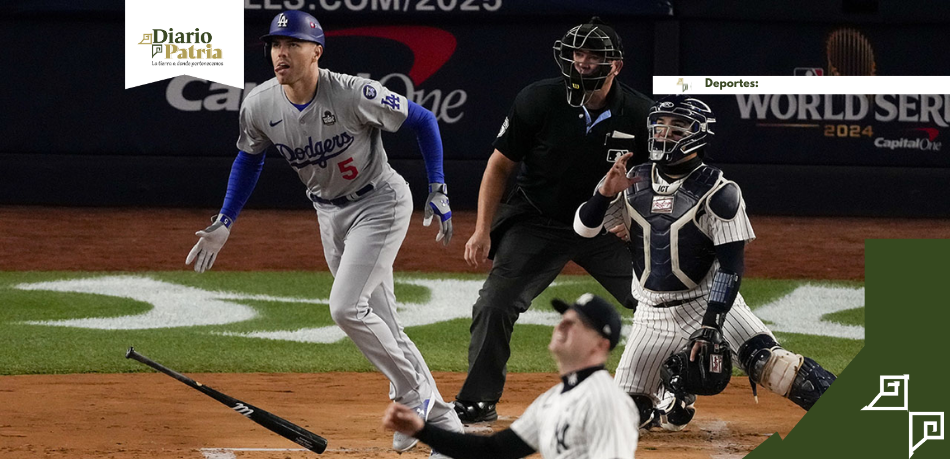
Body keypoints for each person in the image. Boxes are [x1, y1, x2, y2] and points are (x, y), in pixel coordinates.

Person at [184, 10, 462, 454]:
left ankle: (414, 397)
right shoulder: (260, 104)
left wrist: (439, 187)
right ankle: (444, 422)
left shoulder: (353, 92)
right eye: (275, 45)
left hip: (380, 203)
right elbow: (249, 158)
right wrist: (225, 221)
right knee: (383, 320)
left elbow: (423, 121)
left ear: (316, 50)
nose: (281, 53)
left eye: (292, 44)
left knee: (346, 308)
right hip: (329, 215)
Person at [573, 95, 837, 431]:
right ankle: (672, 394)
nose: (665, 134)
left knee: (773, 365)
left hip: (709, 302)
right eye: (660, 125)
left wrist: (712, 323)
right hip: (653, 314)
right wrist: (605, 194)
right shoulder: (630, 178)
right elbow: (584, 229)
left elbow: (731, 266)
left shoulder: (719, 191)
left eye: (677, 127)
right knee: (623, 417)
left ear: (699, 134)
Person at [454, 17, 654, 423]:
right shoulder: (538, 99)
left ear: (615, 65)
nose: (582, 62)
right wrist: (480, 230)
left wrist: (634, 219)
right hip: (538, 220)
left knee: (657, 303)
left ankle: (668, 393)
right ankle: (478, 400)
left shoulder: (639, 113)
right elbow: (498, 166)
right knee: (494, 303)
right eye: (577, 52)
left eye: (594, 54)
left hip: (602, 225)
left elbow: (656, 180)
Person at [384, 293, 639, 459]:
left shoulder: (607, 402)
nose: (562, 325)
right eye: (564, 318)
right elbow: (494, 450)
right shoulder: (554, 398)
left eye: (576, 324)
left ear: (600, 346)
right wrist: (423, 430)